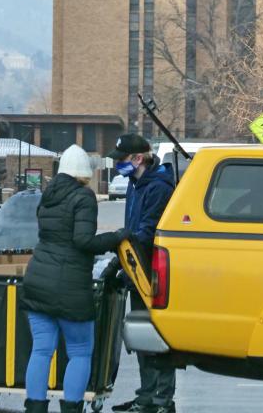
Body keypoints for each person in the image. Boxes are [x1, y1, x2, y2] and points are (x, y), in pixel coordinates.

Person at [21, 144, 130, 413]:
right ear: (84, 172)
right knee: (80, 350)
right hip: (69, 285)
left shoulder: (48, 196)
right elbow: (83, 241)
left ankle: (35, 408)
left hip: (37, 280)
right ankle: (71, 408)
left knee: (42, 350)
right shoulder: (84, 197)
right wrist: (117, 237)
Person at [106, 134, 176, 413]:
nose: (117, 164)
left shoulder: (158, 187)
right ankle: (146, 397)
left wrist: (120, 254)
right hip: (137, 271)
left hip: (153, 274)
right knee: (142, 338)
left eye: (121, 159)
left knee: (155, 337)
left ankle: (161, 400)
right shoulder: (137, 183)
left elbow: (145, 233)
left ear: (137, 158)